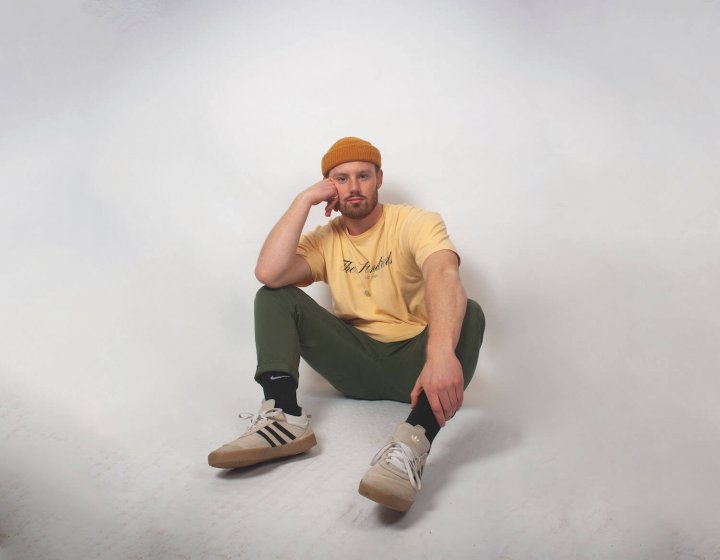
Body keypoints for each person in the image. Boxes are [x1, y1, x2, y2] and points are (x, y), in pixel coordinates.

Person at [208, 137, 485, 512]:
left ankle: (412, 442)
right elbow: (269, 272)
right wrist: (302, 201)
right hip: (354, 365)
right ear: (329, 188)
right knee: (274, 295)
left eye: (363, 176)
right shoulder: (326, 240)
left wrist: (438, 355)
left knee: (470, 310)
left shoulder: (414, 221)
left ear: (379, 179)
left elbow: (443, 270)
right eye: (341, 179)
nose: (353, 187)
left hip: (417, 369)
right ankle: (285, 417)